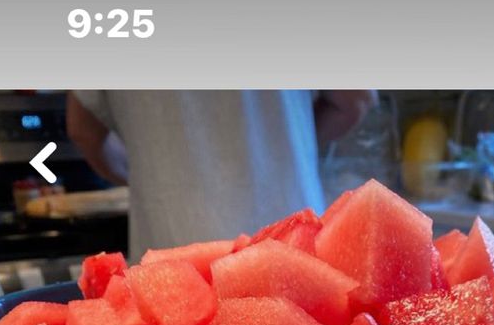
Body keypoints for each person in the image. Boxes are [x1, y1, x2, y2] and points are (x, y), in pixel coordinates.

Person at [66, 90, 376, 259]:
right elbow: (354, 100)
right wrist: (285, 151)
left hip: (169, 249)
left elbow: (82, 129)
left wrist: (152, 182)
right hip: (290, 249)